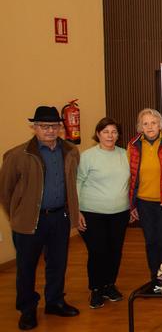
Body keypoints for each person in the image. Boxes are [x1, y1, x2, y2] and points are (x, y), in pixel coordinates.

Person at [0, 106, 81, 330]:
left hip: (59, 218)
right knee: (26, 267)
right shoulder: (17, 155)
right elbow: (5, 192)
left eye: (54, 126)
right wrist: (18, 214)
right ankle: (27, 309)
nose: (50, 130)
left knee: (57, 263)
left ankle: (54, 301)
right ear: (34, 127)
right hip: (29, 221)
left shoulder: (71, 152)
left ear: (60, 128)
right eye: (44, 126)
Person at [77, 118, 130, 309]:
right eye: (106, 131)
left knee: (115, 251)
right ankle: (96, 289)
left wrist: (131, 206)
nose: (110, 135)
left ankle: (109, 285)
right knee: (98, 251)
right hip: (92, 213)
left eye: (114, 132)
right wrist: (76, 212)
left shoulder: (125, 154)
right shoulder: (87, 156)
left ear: (118, 135)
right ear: (98, 134)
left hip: (119, 213)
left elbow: (131, 183)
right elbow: (78, 182)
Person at [127, 108, 162, 280]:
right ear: (140, 127)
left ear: (160, 124)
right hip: (144, 203)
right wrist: (132, 204)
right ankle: (155, 278)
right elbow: (129, 176)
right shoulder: (133, 145)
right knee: (151, 241)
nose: (150, 127)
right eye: (145, 123)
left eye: (153, 123)